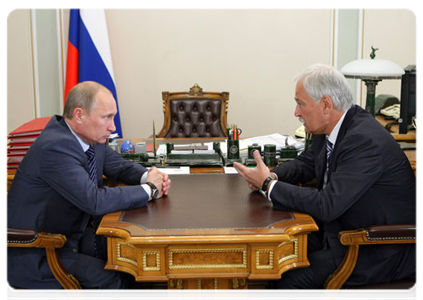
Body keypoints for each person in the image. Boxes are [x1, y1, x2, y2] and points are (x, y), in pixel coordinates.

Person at [234, 64, 419, 300]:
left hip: (379, 247)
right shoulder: (331, 128)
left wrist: (268, 186)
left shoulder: (364, 140)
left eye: (301, 103)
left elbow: (327, 205)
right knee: (275, 257)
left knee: (291, 279)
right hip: (343, 231)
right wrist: (271, 175)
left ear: (326, 104)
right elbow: (306, 164)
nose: (296, 112)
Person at [6, 81, 171, 300]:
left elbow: (119, 167)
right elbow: (94, 201)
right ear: (79, 115)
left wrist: (150, 176)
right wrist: (149, 190)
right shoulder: (56, 147)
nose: (113, 127)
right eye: (107, 117)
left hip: (70, 237)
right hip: (37, 250)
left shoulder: (89, 139)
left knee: (133, 263)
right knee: (112, 282)